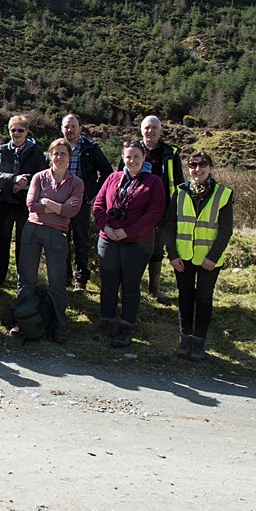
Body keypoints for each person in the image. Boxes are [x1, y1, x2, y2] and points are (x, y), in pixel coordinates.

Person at [92, 141, 165, 348]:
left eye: (136, 157)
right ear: (122, 158)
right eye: (128, 157)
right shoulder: (113, 178)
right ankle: (106, 321)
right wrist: (106, 227)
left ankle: (125, 327)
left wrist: (127, 231)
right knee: (108, 284)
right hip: (108, 239)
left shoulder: (154, 182)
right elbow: (98, 205)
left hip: (137, 242)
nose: (132, 161)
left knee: (130, 285)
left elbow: (154, 214)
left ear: (144, 158)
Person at [165, 152, 234, 361]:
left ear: (210, 167)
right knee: (185, 298)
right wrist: (173, 254)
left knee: (204, 300)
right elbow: (169, 225)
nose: (197, 169)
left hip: (209, 260)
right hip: (183, 257)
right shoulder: (179, 192)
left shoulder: (223, 194)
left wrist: (213, 257)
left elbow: (225, 230)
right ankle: (184, 342)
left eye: (202, 165)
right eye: (193, 165)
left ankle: (198, 344)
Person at [17, 139, 85, 343]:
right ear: (50, 156)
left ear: (69, 157)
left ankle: (59, 328)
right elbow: (31, 205)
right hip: (32, 229)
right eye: (55, 153)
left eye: (63, 153)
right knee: (26, 279)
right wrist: (58, 206)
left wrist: (46, 203)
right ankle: (21, 322)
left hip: (57, 234)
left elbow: (72, 211)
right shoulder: (39, 177)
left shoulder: (76, 183)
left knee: (56, 283)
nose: (59, 157)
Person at [123, 116, 184, 301]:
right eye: (147, 128)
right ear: (141, 130)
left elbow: (179, 182)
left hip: (161, 209)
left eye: (154, 128)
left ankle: (154, 289)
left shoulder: (170, 153)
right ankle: (131, 286)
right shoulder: (132, 150)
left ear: (161, 130)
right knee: (133, 247)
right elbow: (120, 176)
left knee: (157, 250)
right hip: (134, 208)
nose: (150, 131)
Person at [61, 113, 114, 292]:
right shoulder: (58, 148)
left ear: (80, 128)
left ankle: (81, 279)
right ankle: (65, 276)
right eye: (66, 127)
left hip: (81, 202)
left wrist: (94, 193)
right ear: (62, 129)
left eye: (73, 126)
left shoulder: (91, 148)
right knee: (62, 239)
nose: (70, 130)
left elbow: (107, 172)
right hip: (60, 202)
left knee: (81, 240)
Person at [0, 116, 48, 289]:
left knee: (23, 244)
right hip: (6, 203)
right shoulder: (1, 151)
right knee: (2, 243)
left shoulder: (36, 151)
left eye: (20, 130)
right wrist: (13, 179)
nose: (16, 133)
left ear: (27, 132)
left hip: (27, 204)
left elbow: (43, 175)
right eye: (13, 130)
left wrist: (26, 180)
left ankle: (23, 282)